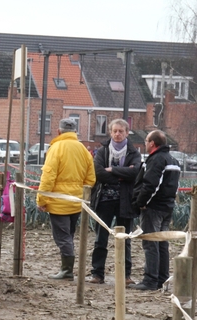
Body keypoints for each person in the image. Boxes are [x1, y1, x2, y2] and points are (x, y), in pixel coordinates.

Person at [37, 118, 95, 280]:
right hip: (76, 202)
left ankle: (67, 270)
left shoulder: (56, 149)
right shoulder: (83, 150)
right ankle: (67, 267)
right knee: (68, 235)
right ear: (75, 132)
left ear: (58, 131)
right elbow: (90, 179)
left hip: (58, 202)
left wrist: (42, 200)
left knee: (63, 237)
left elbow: (48, 177)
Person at [88, 119, 141, 285]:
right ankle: (97, 274)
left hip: (125, 201)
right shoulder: (103, 151)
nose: (118, 134)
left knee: (125, 239)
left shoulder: (134, 152)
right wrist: (122, 174)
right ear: (110, 132)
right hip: (104, 200)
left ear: (127, 132)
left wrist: (111, 170)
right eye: (115, 131)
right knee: (100, 239)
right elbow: (98, 173)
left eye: (121, 131)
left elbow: (136, 173)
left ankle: (125, 276)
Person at [129, 130, 180, 290]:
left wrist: (140, 203)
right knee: (162, 243)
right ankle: (161, 278)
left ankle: (150, 280)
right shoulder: (173, 160)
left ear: (152, 143)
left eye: (146, 140)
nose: (144, 143)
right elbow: (175, 187)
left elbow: (151, 185)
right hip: (167, 207)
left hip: (154, 207)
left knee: (151, 242)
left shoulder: (157, 159)